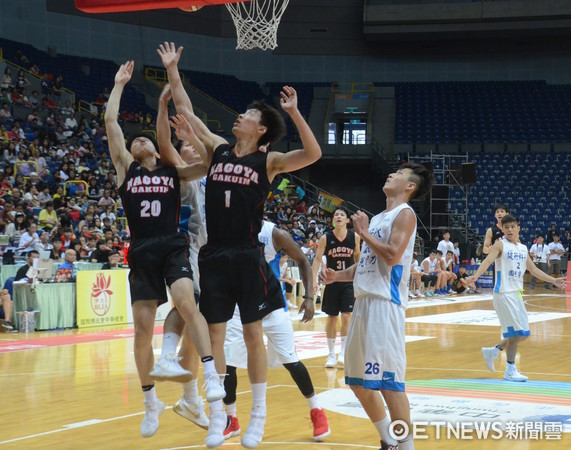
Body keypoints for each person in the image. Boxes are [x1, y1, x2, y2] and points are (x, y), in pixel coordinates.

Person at [158, 41, 322, 449]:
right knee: (216, 334)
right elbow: (189, 113)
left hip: (248, 255)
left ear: (260, 128)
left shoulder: (268, 162)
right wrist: (173, 70)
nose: (240, 117)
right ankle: (220, 417)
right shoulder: (218, 151)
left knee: (253, 337)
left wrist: (294, 113)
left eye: (248, 115)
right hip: (214, 254)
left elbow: (314, 153)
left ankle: (258, 418)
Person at [104, 60, 224, 441]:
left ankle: (210, 377)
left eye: (145, 138)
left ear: (157, 149)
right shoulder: (126, 169)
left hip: (173, 247)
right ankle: (149, 400)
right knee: (141, 330)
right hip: (141, 251)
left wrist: (170, 117)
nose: (139, 140)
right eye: (135, 139)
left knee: (188, 305)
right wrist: (119, 84)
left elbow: (207, 164)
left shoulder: (174, 173)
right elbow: (110, 125)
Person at [319, 163, 434, 450]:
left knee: (388, 383)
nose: (392, 174)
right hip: (364, 303)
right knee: (357, 382)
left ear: (410, 186)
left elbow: (393, 255)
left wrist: (363, 232)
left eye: (399, 174)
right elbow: (367, 262)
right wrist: (337, 276)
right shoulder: (380, 217)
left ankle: (407, 447)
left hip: (385, 305)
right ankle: (389, 441)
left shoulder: (404, 214)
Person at [222, 221, 329, 442]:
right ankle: (230, 419)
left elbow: (302, 260)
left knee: (291, 360)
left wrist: (309, 297)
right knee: (228, 363)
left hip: (269, 302)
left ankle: (316, 410)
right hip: (238, 304)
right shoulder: (227, 226)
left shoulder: (273, 233)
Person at [469, 215, 565, 382]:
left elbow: (534, 270)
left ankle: (493, 351)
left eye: (513, 227)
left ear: (518, 228)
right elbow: (487, 261)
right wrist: (475, 276)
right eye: (506, 227)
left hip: (516, 294)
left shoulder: (522, 248)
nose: (510, 230)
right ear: (503, 230)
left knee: (524, 333)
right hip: (503, 294)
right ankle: (510, 369)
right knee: (517, 333)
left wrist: (554, 280)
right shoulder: (500, 245)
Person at [311, 207, 361, 368]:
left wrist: (360, 280)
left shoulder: (355, 237)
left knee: (346, 316)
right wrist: (313, 280)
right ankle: (331, 354)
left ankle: (343, 352)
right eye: (336, 215)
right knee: (332, 318)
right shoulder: (326, 238)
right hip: (331, 282)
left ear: (347, 220)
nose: (338, 216)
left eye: (342, 214)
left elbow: (358, 259)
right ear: (333, 220)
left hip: (348, 282)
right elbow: (317, 259)